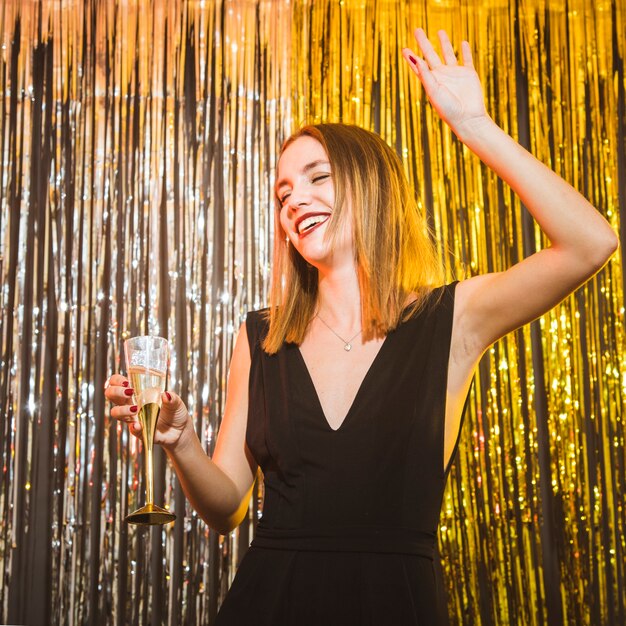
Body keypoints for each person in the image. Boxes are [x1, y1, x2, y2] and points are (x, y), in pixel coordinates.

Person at [105, 29, 618, 625]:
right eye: (283, 191)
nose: (294, 200)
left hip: (395, 604)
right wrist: (179, 441)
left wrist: (475, 127)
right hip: (269, 604)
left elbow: (591, 243)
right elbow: (227, 509)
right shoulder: (261, 337)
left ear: (369, 183)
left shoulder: (451, 320)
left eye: (318, 177)